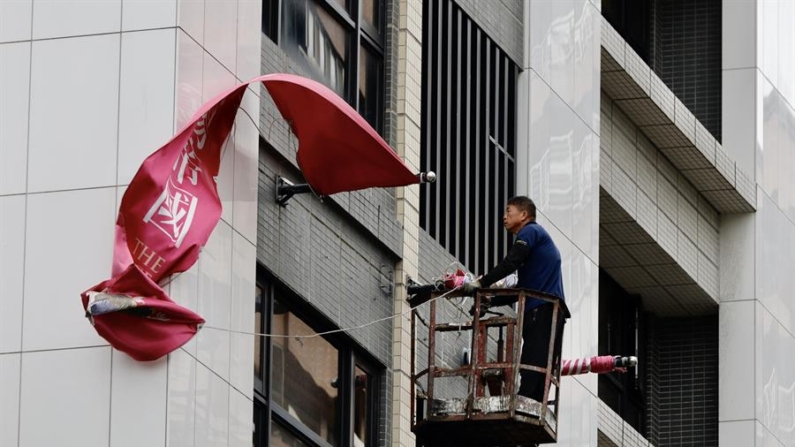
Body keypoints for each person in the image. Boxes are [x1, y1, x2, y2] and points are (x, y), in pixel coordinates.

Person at [461, 195, 565, 403]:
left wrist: (482, 284)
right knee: (538, 361)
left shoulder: (530, 231)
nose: (504, 217)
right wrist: (491, 300)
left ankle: (525, 401)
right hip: (547, 310)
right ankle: (532, 402)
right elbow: (520, 289)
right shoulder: (538, 249)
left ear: (524, 214)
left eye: (509, 211)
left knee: (533, 360)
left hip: (542, 309)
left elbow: (511, 262)